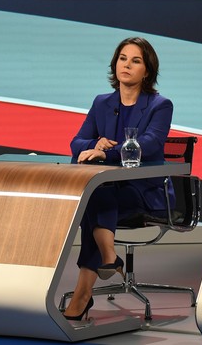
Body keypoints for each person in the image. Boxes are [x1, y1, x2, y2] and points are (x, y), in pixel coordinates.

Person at [63, 37, 174, 320]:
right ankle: (108, 257)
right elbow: (77, 142)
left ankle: (84, 292)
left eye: (136, 61)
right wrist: (92, 145)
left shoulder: (159, 106)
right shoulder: (102, 103)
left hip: (145, 190)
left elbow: (148, 144)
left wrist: (103, 154)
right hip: (109, 190)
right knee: (98, 194)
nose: (127, 65)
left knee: (94, 199)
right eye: (122, 58)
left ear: (147, 70)